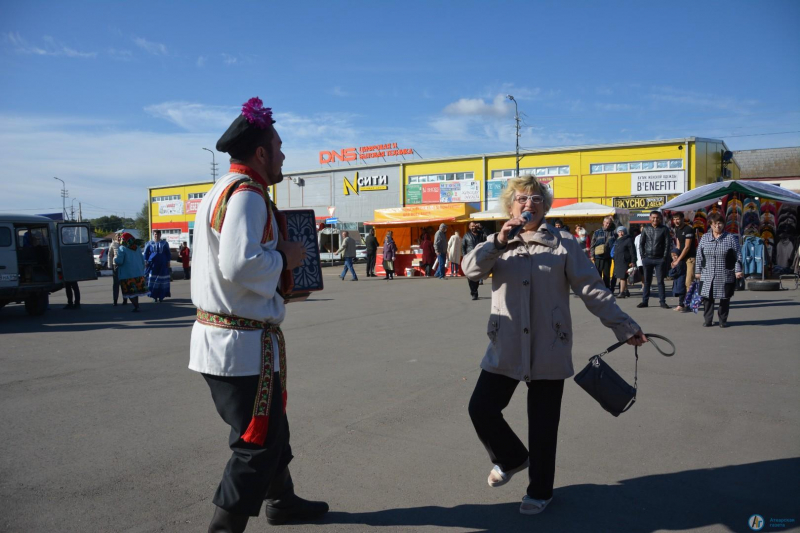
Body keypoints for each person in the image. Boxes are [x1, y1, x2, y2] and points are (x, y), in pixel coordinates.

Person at [462, 175, 646, 517]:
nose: (527, 204)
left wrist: (624, 326)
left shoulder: (564, 243)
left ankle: (540, 490)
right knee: (481, 408)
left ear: (545, 206)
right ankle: (512, 457)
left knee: (543, 425)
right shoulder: (499, 242)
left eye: (535, 199)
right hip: (507, 342)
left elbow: (591, 289)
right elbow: (470, 270)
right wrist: (499, 240)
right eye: (520, 199)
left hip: (550, 343)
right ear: (510, 206)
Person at [189, 97, 328, 531]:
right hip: (240, 346)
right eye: (280, 146)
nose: (285, 155)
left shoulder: (222, 190)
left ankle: (283, 502)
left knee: (271, 429)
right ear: (262, 153)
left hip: (232, 340)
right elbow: (240, 265)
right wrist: (286, 258)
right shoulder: (248, 195)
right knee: (257, 444)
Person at [695, 212, 743, 328]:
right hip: (707, 273)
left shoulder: (730, 238)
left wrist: (738, 270)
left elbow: (738, 255)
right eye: (715, 224)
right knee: (707, 298)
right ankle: (708, 320)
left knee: (724, 298)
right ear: (710, 225)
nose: (718, 226)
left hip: (725, 273)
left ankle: (723, 320)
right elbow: (699, 256)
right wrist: (697, 271)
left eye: (720, 223)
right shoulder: (705, 238)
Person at [637, 211, 672, 309]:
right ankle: (645, 301)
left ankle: (662, 302)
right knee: (647, 281)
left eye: (657, 217)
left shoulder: (664, 229)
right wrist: (643, 256)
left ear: (660, 218)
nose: (655, 219)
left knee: (660, 281)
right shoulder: (646, 229)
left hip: (659, 259)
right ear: (650, 218)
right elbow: (641, 243)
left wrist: (664, 257)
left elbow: (667, 244)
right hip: (647, 258)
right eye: (653, 217)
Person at [114, 232, 147, 312]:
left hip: (127, 274)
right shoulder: (137, 247)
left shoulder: (122, 248)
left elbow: (120, 261)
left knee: (129, 291)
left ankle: (136, 306)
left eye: (122, 238)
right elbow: (143, 261)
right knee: (136, 292)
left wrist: (115, 259)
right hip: (138, 273)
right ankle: (136, 306)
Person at [670, 212, 695, 312]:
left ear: (683, 219)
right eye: (674, 219)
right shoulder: (677, 229)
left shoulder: (688, 229)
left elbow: (687, 247)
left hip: (690, 258)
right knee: (680, 282)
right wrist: (675, 258)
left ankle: (689, 304)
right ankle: (681, 304)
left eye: (678, 219)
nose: (676, 221)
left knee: (688, 282)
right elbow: (679, 245)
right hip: (681, 258)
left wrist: (678, 259)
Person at [144, 230, 171, 302]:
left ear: (160, 235)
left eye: (158, 234)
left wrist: (168, 261)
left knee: (161, 280)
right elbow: (146, 253)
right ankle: (154, 296)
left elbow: (168, 253)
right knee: (153, 279)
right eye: (155, 234)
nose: (157, 235)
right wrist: (146, 261)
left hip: (163, 264)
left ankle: (161, 296)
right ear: (153, 235)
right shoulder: (149, 243)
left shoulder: (165, 243)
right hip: (153, 264)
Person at [590, 216, 616, 289]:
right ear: (603, 223)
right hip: (598, 256)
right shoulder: (597, 232)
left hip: (608, 257)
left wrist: (614, 220)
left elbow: (618, 227)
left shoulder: (612, 232)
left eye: (609, 223)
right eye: (607, 223)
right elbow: (592, 244)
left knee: (606, 275)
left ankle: (606, 289)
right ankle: (598, 288)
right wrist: (592, 255)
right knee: (598, 274)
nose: (608, 224)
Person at [462, 222, 486, 300]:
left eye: (474, 226)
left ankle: (475, 289)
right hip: (469, 258)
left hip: (479, 257)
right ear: (469, 227)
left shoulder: (481, 234)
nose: (473, 227)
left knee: (477, 276)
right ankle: (474, 292)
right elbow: (463, 247)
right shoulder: (466, 236)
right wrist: (464, 256)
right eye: (471, 226)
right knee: (470, 276)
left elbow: (489, 236)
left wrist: (482, 228)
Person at [612, 226, 636, 298]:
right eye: (619, 232)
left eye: (622, 231)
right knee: (622, 277)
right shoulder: (617, 240)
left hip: (625, 261)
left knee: (623, 277)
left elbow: (632, 252)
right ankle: (626, 291)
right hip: (618, 261)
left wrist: (633, 261)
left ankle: (622, 292)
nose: (621, 233)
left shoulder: (628, 240)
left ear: (625, 232)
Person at [108, 233, 128, 306]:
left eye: (120, 237)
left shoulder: (124, 244)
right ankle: (115, 300)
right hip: (115, 265)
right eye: (118, 237)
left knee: (124, 283)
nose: (119, 238)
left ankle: (125, 299)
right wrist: (109, 265)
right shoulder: (113, 244)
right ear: (116, 237)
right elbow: (110, 255)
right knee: (116, 283)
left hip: (123, 265)